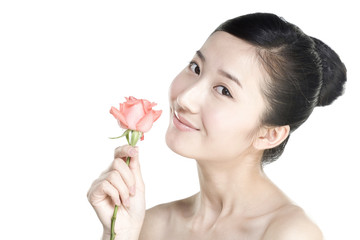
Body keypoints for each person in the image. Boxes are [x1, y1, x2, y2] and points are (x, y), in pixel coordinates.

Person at [87, 12, 346, 240]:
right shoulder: (151, 226)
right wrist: (118, 236)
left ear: (270, 134)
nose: (185, 98)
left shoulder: (289, 233)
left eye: (224, 90)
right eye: (196, 68)